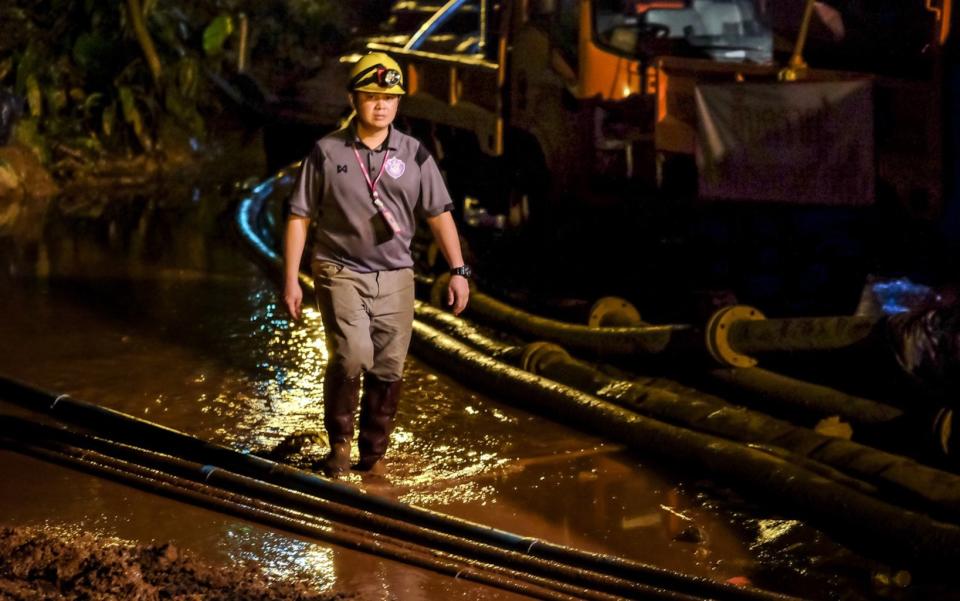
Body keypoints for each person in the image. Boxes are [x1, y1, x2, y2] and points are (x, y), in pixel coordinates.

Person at [283, 52, 471, 476]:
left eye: (389, 97)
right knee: (351, 356)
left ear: (399, 104)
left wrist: (458, 271)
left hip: (397, 277)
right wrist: (291, 279)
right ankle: (340, 446)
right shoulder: (326, 153)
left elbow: (439, 214)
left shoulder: (415, 155)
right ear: (354, 99)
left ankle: (372, 454)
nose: (380, 105)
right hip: (339, 270)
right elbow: (299, 216)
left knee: (389, 366)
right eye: (371, 96)